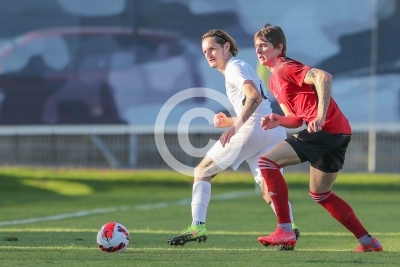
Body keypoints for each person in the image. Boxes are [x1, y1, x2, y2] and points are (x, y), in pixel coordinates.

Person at [254, 23, 382, 252]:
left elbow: (324, 76)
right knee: (321, 194)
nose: (258, 51)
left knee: (266, 162)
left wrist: (321, 116)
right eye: (256, 46)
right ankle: (368, 242)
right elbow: (295, 118)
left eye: (263, 46)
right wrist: (279, 120)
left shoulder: (285, 68)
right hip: (339, 132)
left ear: (278, 48)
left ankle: (285, 230)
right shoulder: (274, 80)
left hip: (326, 130)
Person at [167, 29, 300, 249]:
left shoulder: (234, 67)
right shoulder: (239, 67)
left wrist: (236, 126)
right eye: (205, 51)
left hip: (253, 129)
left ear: (226, 47)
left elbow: (254, 97)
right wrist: (229, 121)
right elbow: (258, 102)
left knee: (202, 171)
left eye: (213, 48)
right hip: (270, 130)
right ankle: (290, 228)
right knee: (269, 189)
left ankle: (196, 226)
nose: (208, 54)